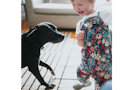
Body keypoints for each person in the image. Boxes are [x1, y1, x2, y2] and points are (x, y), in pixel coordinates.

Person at [70, 0, 113, 90]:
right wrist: (79, 39)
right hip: (87, 57)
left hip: (104, 58)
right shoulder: (80, 24)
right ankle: (84, 82)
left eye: (80, 4)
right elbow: (80, 45)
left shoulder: (102, 14)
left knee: (103, 78)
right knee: (82, 71)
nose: (76, 8)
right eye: (73, 4)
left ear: (92, 2)